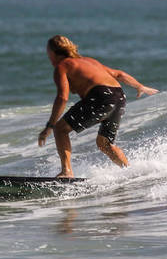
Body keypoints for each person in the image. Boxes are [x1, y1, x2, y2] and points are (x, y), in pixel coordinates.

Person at [37, 35, 158, 178]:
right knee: (104, 143)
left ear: (54, 52)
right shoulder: (89, 61)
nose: (49, 57)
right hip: (119, 96)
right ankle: (131, 173)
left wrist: (49, 126)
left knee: (60, 129)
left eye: (48, 53)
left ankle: (66, 172)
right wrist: (139, 86)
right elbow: (118, 74)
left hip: (101, 96)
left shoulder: (62, 66)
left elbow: (62, 97)